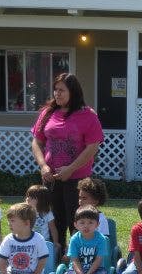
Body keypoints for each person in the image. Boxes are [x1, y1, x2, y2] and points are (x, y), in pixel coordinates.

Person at [31, 73, 104, 250]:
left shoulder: (88, 115)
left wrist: (71, 169)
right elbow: (37, 142)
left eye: (62, 90)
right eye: (55, 90)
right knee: (53, 218)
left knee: (76, 217)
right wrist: (43, 166)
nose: (57, 94)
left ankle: (77, 255)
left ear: (73, 91)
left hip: (77, 179)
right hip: (50, 178)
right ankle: (54, 254)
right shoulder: (48, 113)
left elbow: (92, 147)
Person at [60, 205, 109, 274]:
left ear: (97, 224)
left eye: (90, 222)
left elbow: (98, 259)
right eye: (82, 223)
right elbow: (74, 259)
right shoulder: (75, 239)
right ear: (75, 224)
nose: (86, 226)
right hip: (76, 269)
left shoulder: (101, 239)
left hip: (96, 268)